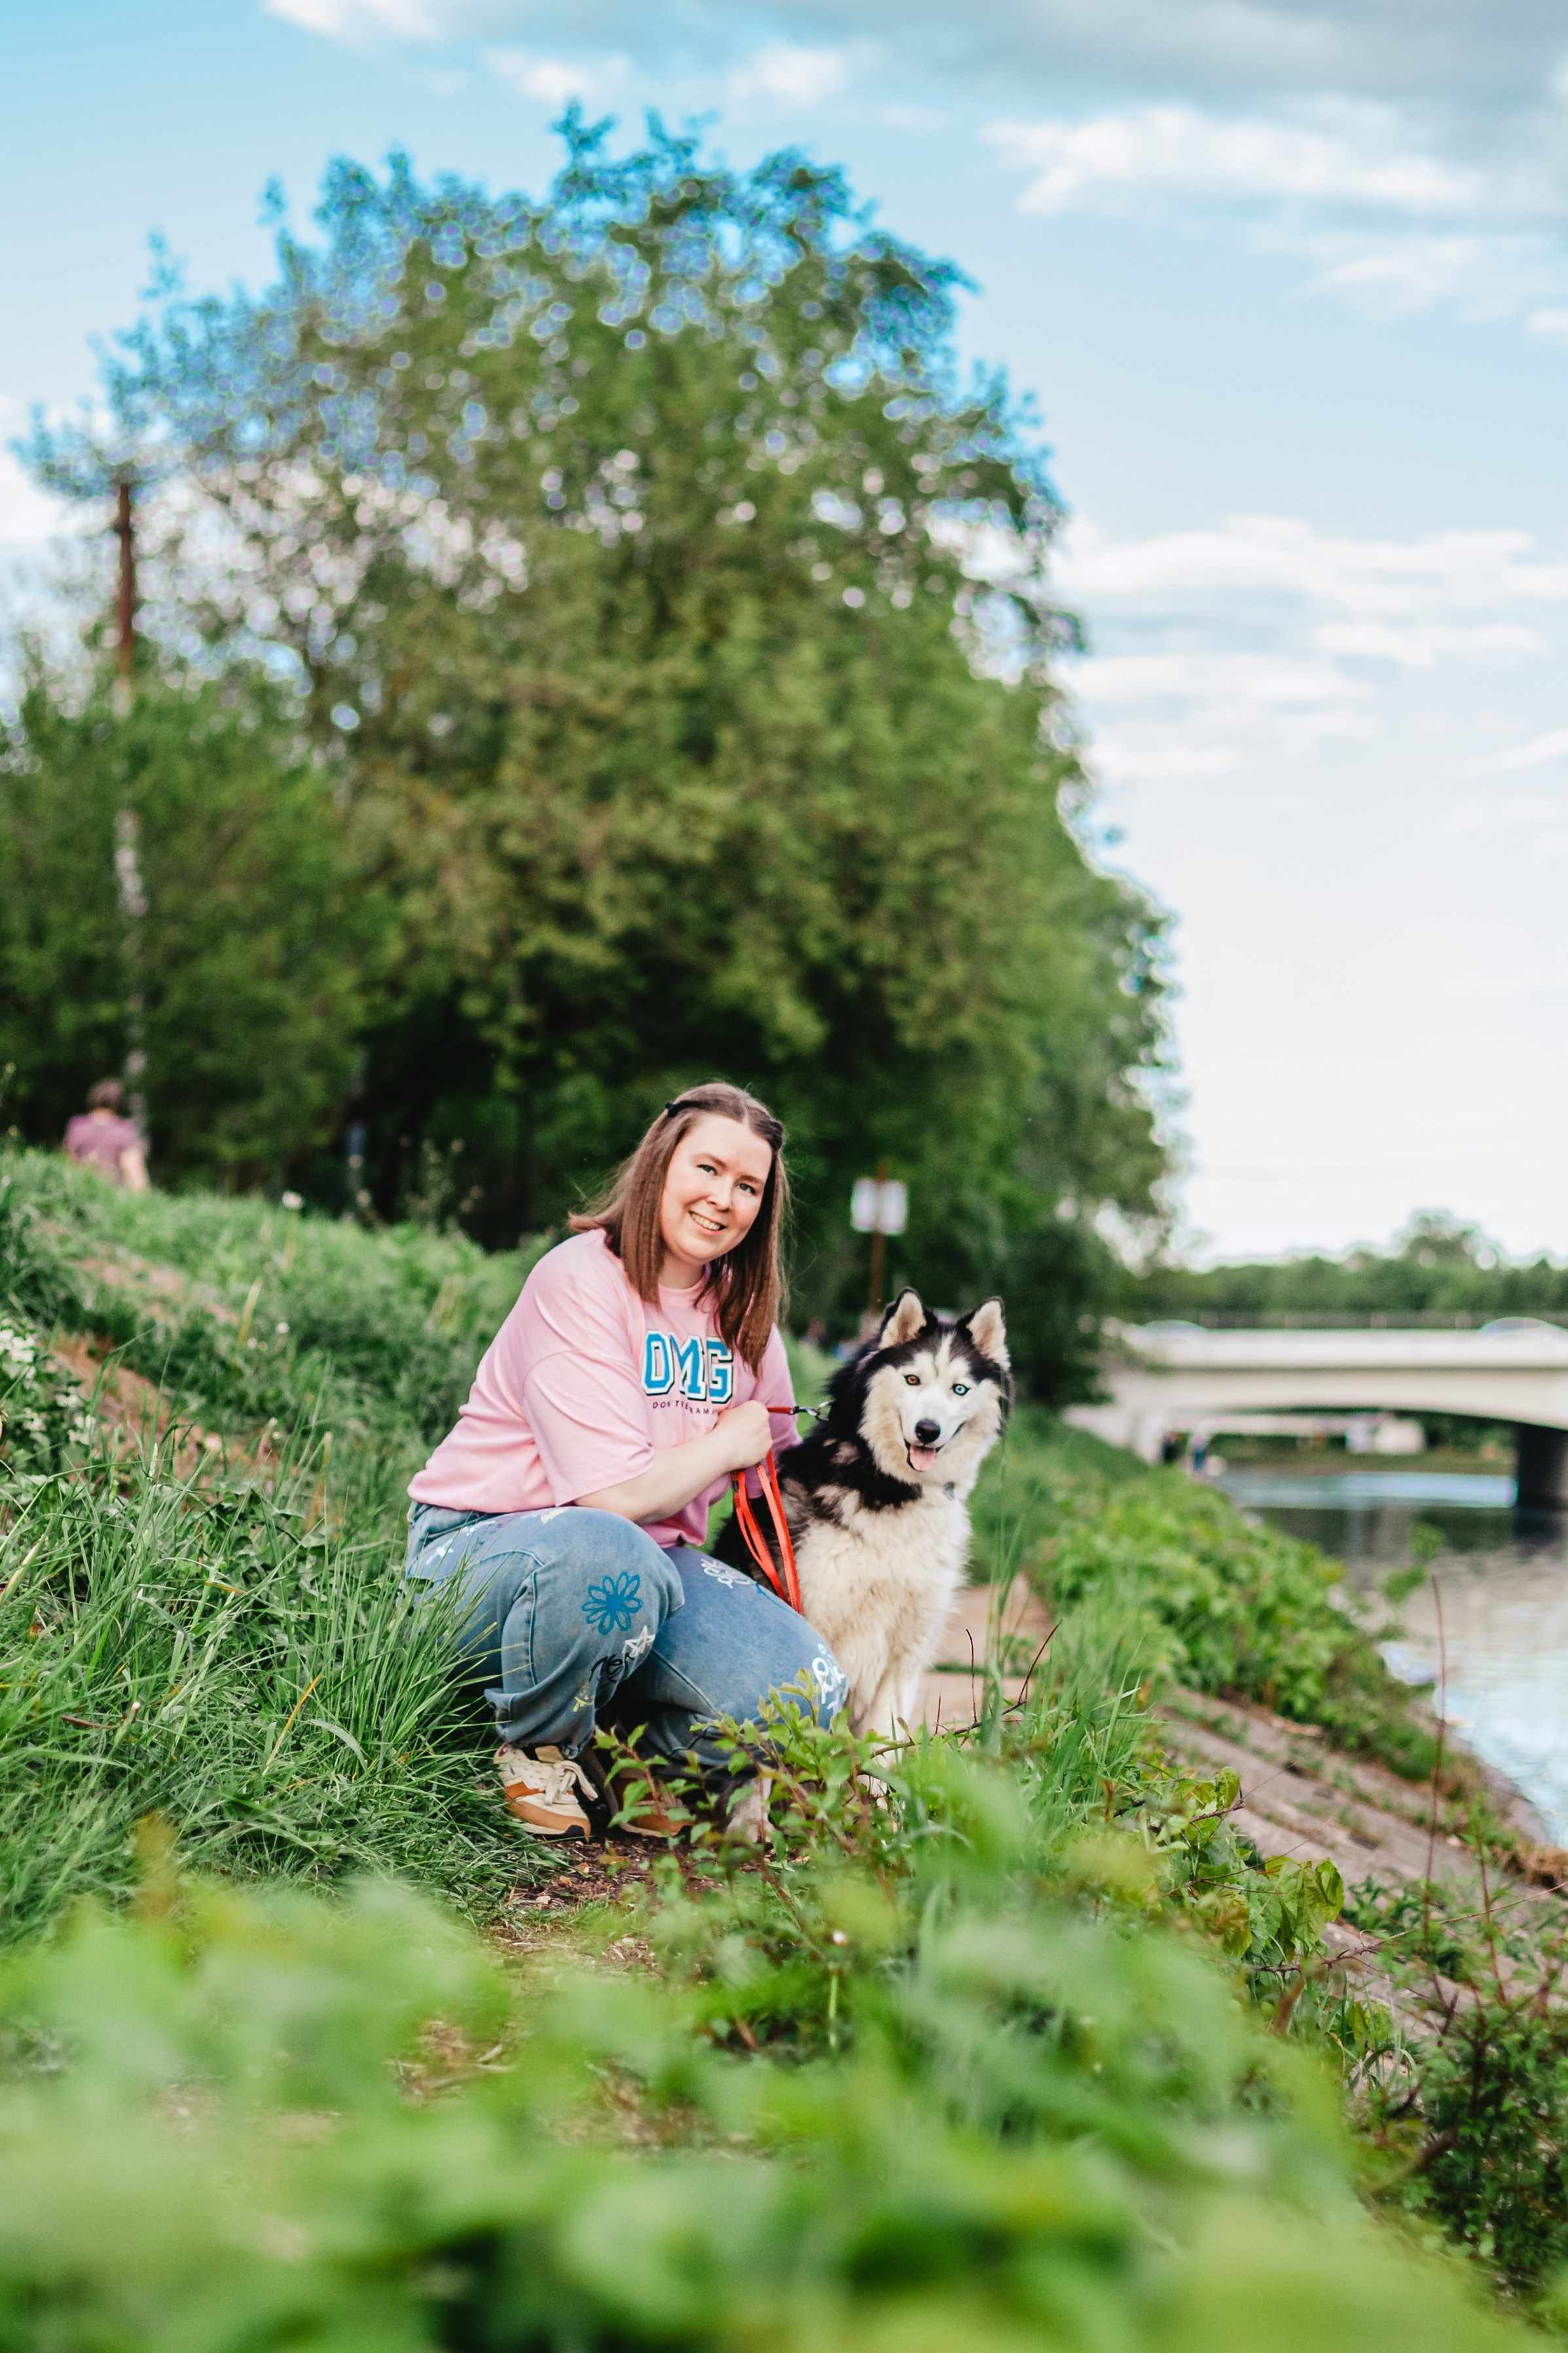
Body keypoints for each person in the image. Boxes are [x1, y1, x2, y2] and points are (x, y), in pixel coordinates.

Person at [404, 1081, 848, 1840]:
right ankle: (538, 1744)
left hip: (649, 1568)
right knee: (612, 1549)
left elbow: (782, 1467)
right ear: (661, 1161)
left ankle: (625, 1754)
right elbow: (610, 1497)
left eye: (748, 1186)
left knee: (806, 1688)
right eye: (708, 1168)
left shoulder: (743, 1316)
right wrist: (723, 1444)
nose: (723, 1199)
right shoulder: (580, 1279)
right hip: (485, 1556)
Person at [63, 1080, 147, 1191]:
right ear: (117, 1103)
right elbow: (132, 1166)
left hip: (79, 1190)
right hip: (111, 1193)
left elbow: (67, 1161)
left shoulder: (77, 1126)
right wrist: (142, 1194)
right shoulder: (123, 1130)